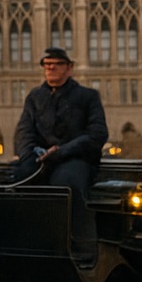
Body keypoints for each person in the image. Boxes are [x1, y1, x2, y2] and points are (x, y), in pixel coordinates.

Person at [13, 46, 109, 268]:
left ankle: (78, 248)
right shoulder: (35, 97)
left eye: (56, 65)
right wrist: (29, 153)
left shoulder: (87, 97)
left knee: (66, 186)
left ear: (69, 68)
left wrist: (61, 151)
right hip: (40, 159)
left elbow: (97, 134)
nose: (51, 69)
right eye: (47, 65)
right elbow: (24, 131)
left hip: (75, 159)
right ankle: (24, 245)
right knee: (18, 179)